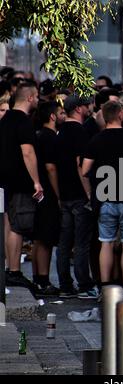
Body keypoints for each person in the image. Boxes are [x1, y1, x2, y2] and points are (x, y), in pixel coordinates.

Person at [82, 100, 123, 296]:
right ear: (120, 115)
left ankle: (105, 287)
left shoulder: (96, 140)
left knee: (106, 242)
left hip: (105, 197)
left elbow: (85, 169)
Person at [0, 81, 43, 294]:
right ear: (29, 98)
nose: (37, 99)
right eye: (36, 96)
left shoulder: (5, 119)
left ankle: (10, 268)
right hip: (20, 180)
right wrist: (36, 180)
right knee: (18, 226)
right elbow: (28, 152)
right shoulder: (23, 122)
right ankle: (15, 271)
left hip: (5, 180)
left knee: (9, 222)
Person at [55, 94, 98, 299]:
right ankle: (84, 284)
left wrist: (58, 193)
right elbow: (81, 165)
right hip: (79, 195)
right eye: (88, 105)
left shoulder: (60, 131)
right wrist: (89, 192)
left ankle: (65, 284)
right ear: (79, 109)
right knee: (81, 243)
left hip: (64, 194)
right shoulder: (80, 132)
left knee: (64, 242)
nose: (90, 108)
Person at [32, 101, 62, 296]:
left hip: (40, 193)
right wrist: (58, 194)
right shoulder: (50, 137)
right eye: (60, 112)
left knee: (39, 237)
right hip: (49, 194)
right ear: (52, 116)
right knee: (46, 238)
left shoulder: (38, 136)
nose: (63, 115)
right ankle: (43, 280)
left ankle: (38, 278)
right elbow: (51, 168)